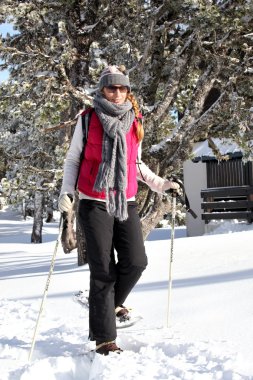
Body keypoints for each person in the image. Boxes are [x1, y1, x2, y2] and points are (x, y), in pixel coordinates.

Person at [58, 65, 179, 355]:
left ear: (128, 92)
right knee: (103, 270)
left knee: (136, 261)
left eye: (122, 88)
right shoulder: (87, 120)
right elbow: (74, 160)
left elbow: (135, 164)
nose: (117, 93)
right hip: (93, 200)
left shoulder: (134, 121)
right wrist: (67, 192)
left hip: (126, 200)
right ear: (102, 90)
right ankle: (105, 340)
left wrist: (160, 184)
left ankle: (107, 306)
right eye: (111, 88)